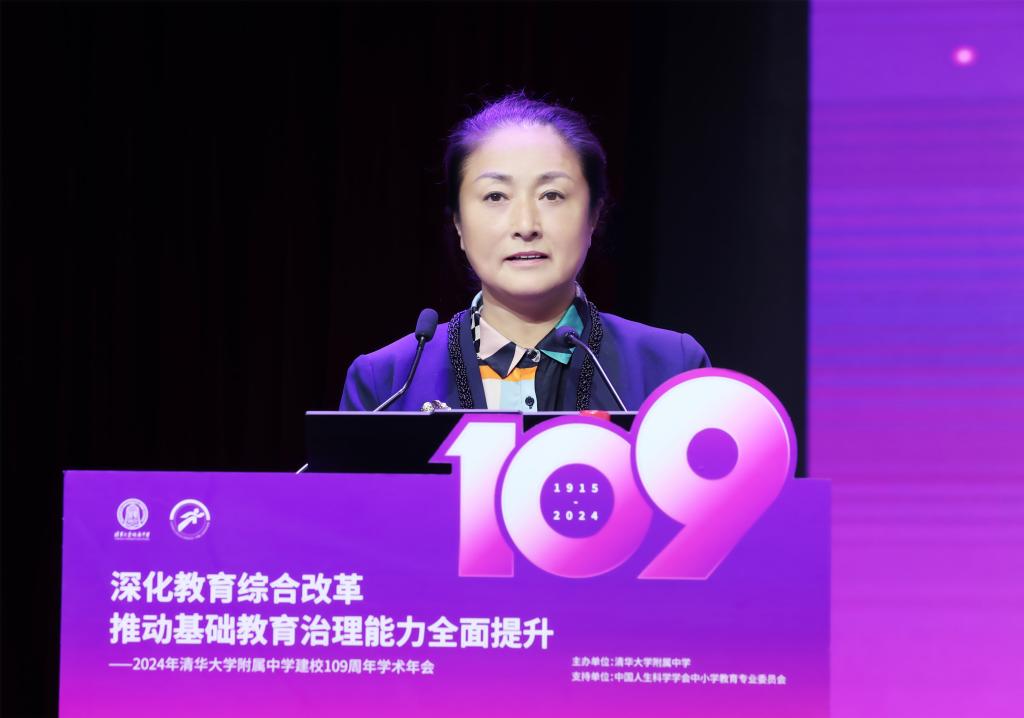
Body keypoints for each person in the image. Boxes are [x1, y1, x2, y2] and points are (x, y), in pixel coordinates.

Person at [340, 93, 709, 412]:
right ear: (458, 224)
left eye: (552, 195)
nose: (526, 224)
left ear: (594, 215)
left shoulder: (670, 369)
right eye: (495, 196)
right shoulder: (386, 382)